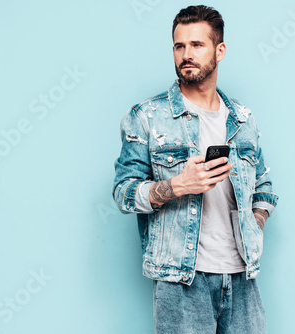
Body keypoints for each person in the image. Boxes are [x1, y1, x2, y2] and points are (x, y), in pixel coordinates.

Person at [113, 5, 278, 333]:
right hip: (181, 281)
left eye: (197, 45)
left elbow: (265, 188)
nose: (186, 54)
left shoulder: (243, 120)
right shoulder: (146, 117)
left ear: (220, 51)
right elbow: (123, 193)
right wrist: (178, 185)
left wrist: (254, 226)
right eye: (179, 46)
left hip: (242, 278)